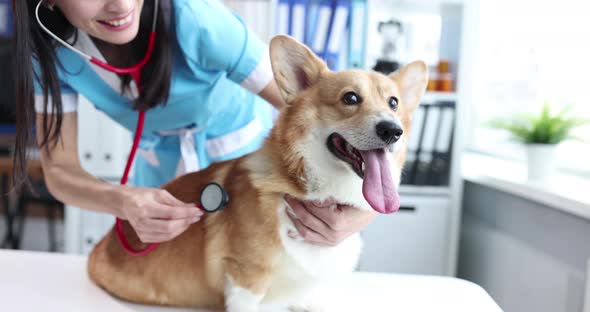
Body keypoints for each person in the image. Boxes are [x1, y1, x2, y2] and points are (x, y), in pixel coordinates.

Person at [12, 0, 376, 246]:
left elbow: (324, 119)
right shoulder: (49, 53)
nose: (121, 5)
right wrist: (124, 201)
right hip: (162, 174)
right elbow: (60, 172)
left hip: (252, 168)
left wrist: (363, 211)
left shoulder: (198, 20)